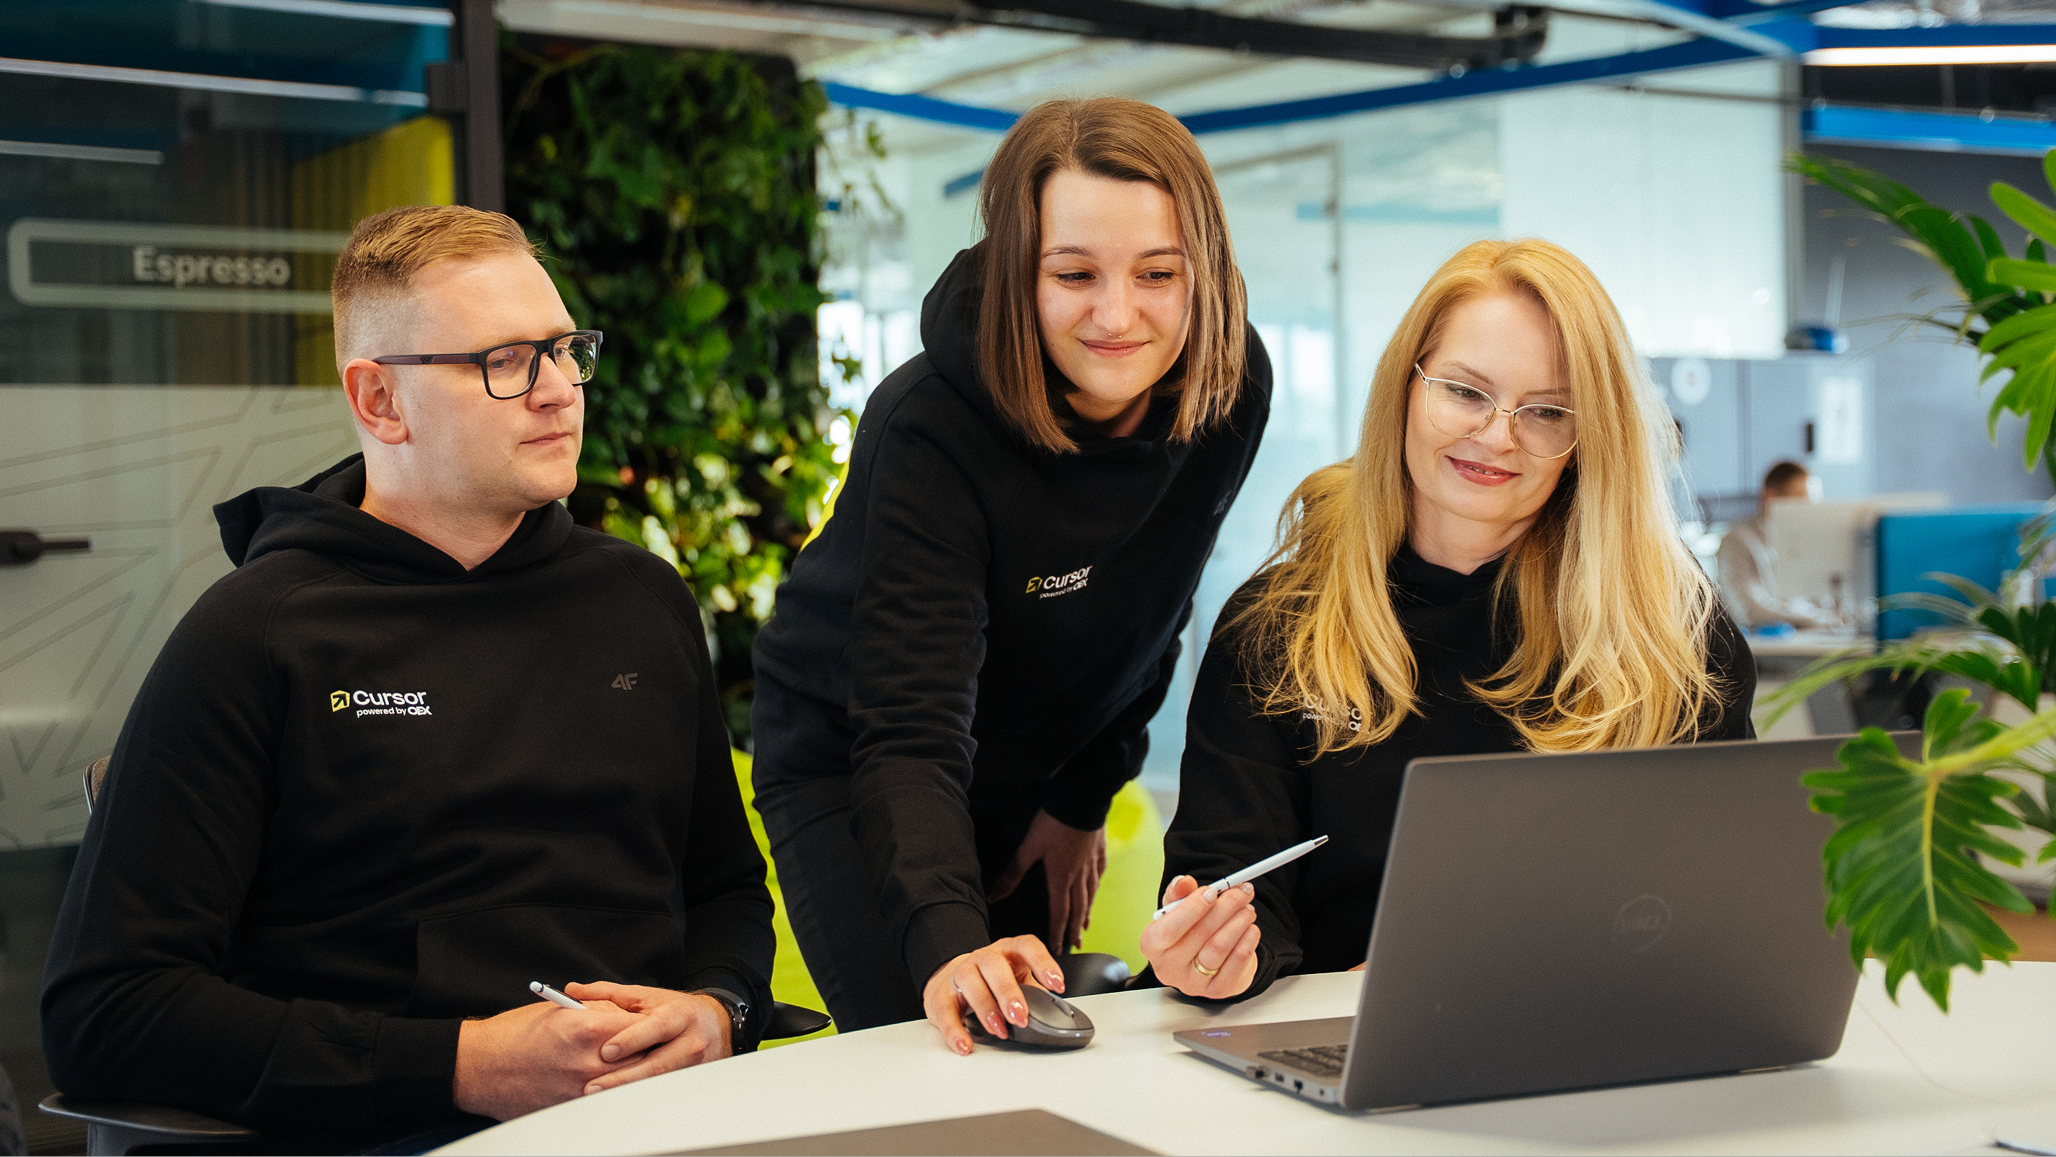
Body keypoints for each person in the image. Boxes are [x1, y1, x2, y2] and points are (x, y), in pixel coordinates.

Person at [41, 206, 774, 1152]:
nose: (559, 391)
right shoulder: (258, 633)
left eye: (564, 349)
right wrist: (462, 1064)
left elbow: (725, 889)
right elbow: (105, 1009)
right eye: (505, 361)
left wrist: (719, 1008)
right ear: (380, 399)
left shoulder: (644, 601)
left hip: (660, 1123)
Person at [750, 97, 1271, 1052]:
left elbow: (1155, 608)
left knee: (1040, 1039)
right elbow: (909, 725)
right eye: (1074, 274)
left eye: (1158, 273)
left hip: (1038, 750)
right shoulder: (930, 425)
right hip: (859, 748)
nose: (1118, 315)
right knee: (939, 1038)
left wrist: (1081, 797)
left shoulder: (1231, 386)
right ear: (1017, 273)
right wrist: (952, 941)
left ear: (1205, 268)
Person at [1140, 238, 1754, 1001]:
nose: (1498, 435)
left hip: (1602, 1030)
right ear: (1406, 385)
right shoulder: (1278, 625)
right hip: (1333, 1046)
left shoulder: (1669, 629)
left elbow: (1725, 899)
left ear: (1588, 436)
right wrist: (1213, 956)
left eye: (1547, 411)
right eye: (1465, 392)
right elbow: (1233, 885)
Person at [1718, 460, 1842, 631]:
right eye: (1801, 503)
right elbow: (1750, 610)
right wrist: (1820, 619)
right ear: (1771, 498)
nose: (1809, 512)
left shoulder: (1808, 541)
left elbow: (1829, 602)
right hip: (1768, 644)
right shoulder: (1738, 541)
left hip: (1814, 637)